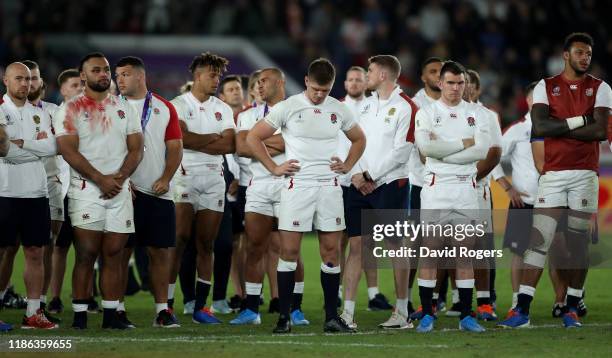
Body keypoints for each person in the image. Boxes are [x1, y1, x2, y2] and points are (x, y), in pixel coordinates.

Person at [247, 58, 366, 333]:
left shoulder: (339, 109)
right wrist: (274, 167)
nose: (319, 95)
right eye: (315, 89)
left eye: (325, 90)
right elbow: (254, 138)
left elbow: (359, 139)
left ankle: (330, 318)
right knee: (288, 251)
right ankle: (284, 318)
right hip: (296, 185)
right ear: (306, 82)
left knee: (331, 252)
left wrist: (347, 165)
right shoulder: (288, 107)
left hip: (329, 185)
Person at [500, 32, 610, 329]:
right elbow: (539, 124)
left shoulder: (601, 88)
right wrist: (580, 121)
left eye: (588, 53)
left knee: (577, 244)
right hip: (553, 175)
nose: (584, 57)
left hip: (585, 174)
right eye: (579, 52)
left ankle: (572, 307)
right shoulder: (545, 87)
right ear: (566, 55)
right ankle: (521, 309)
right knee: (539, 239)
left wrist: (559, 128)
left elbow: (600, 131)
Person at [54, 52, 144, 329]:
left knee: (115, 255)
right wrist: (99, 179)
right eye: (96, 70)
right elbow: (67, 150)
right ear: (83, 76)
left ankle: (110, 316)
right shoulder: (69, 108)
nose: (104, 74)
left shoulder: (124, 107)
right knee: (86, 253)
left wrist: (118, 178)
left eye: (106, 70)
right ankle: (80, 316)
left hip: (119, 189)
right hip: (86, 190)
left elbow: (136, 147)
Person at [341, 56, 417, 330]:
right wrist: (356, 175)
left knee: (396, 247)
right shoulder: (365, 106)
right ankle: (347, 314)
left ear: (383, 75)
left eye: (370, 71)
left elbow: (402, 152)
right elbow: (354, 142)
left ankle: (401, 312)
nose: (367, 75)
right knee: (356, 247)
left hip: (390, 186)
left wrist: (371, 175)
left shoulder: (406, 107)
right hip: (359, 184)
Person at [414, 60, 489, 333]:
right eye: (450, 82)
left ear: (465, 84)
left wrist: (442, 148)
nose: (456, 88)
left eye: (460, 83)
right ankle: (428, 314)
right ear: (440, 83)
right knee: (431, 253)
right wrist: (462, 143)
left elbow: (480, 152)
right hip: (436, 188)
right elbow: (424, 147)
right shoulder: (425, 112)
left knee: (464, 254)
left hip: (465, 188)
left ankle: (466, 316)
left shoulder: (478, 114)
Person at [231, 67, 308, 326]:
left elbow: (298, 143)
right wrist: (282, 140)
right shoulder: (247, 114)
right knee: (254, 247)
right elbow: (241, 148)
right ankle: (251, 308)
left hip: (290, 184)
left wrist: (257, 142)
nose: (259, 86)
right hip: (258, 186)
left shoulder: (299, 109)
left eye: (265, 81)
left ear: (280, 81)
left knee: (291, 250)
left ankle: (295, 309)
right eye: (257, 82)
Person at [115, 56, 183, 328]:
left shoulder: (164, 107)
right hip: (122, 192)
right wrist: (119, 180)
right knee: (119, 253)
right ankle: (116, 309)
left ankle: (162, 311)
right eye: (117, 75)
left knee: (161, 253)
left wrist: (166, 178)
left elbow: (176, 146)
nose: (119, 79)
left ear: (140, 77)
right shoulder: (112, 107)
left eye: (125, 74)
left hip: (157, 192)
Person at [170, 52, 236, 324]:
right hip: (184, 177)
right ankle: (167, 305)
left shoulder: (223, 108)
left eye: (218, 75)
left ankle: (201, 308)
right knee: (179, 239)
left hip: (213, 179)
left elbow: (230, 144)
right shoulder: (177, 105)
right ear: (197, 76)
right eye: (212, 74)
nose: (216, 79)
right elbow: (182, 138)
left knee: (206, 244)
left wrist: (199, 140)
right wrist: (212, 138)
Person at [0, 62, 57, 329]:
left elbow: (53, 147)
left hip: (36, 192)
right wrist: (35, 148)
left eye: (28, 79)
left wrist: (20, 146)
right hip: (5, 192)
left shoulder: (41, 114)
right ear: (6, 81)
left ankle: (33, 313)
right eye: (19, 79)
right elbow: (4, 151)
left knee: (36, 252)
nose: (25, 84)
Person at [339, 66, 392, 313]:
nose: (355, 83)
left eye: (359, 79)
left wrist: (366, 176)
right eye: (350, 79)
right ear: (345, 83)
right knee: (338, 240)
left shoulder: (375, 106)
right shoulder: (337, 107)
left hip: (368, 180)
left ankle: (374, 294)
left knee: (368, 241)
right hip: (340, 180)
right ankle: (339, 291)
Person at [492, 82, 540, 315]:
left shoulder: (557, 129)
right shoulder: (518, 129)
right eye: (536, 97)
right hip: (524, 202)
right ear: (528, 101)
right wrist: (507, 188)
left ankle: (563, 302)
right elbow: (493, 158)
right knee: (520, 252)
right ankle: (515, 302)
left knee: (557, 253)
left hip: (553, 202)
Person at [47, 69, 91, 315]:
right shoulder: (53, 115)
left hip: (87, 186)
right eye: (75, 85)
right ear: (62, 90)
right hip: (61, 186)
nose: (80, 90)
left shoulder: (93, 115)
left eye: (82, 85)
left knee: (88, 246)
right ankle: (54, 297)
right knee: (59, 246)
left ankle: (85, 296)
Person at [22, 60, 62, 325]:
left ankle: (39, 303)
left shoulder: (54, 111)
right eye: (26, 79)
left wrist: (25, 146)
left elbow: (60, 145)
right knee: (6, 250)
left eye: (34, 78)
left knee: (45, 247)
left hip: (49, 186)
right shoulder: (7, 110)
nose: (31, 83)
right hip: (12, 187)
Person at [409, 57, 443, 317]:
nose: (438, 75)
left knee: (443, 243)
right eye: (433, 71)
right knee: (415, 244)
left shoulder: (454, 104)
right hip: (418, 182)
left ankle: (435, 298)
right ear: (423, 77)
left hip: (445, 183)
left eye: (441, 71)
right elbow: (423, 149)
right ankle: (406, 298)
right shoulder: (414, 105)